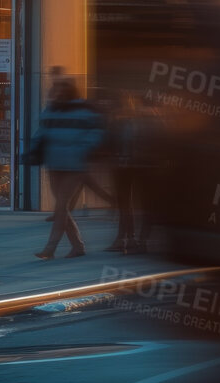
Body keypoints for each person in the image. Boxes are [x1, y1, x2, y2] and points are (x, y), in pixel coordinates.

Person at [31, 79, 108, 260]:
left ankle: (50, 249)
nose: (57, 93)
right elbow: (41, 132)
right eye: (56, 89)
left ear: (70, 91)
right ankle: (78, 247)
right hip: (54, 163)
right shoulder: (51, 110)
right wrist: (34, 149)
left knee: (61, 206)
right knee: (62, 208)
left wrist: (82, 149)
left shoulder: (84, 110)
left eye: (61, 89)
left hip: (74, 165)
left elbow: (97, 132)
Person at [104, 92, 160, 254]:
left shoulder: (146, 122)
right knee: (126, 205)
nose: (124, 106)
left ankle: (139, 240)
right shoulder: (118, 123)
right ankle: (129, 239)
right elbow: (110, 143)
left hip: (141, 168)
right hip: (124, 168)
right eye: (122, 103)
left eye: (127, 103)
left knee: (141, 205)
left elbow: (156, 144)